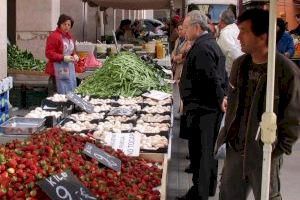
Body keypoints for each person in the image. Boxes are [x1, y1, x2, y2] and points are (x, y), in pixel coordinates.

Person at [215, 9, 300, 200]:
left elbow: (294, 118)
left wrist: (277, 150)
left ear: (263, 36)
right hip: (236, 148)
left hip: (265, 151)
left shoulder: (286, 71)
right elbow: (233, 95)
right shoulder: (240, 65)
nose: (238, 37)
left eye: (243, 31)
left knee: (267, 196)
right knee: (228, 195)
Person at [178, 10, 227, 200]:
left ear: (197, 28)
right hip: (206, 109)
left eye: (186, 26)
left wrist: (219, 100)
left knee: (202, 154)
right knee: (206, 154)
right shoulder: (205, 44)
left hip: (203, 111)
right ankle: (205, 189)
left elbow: (212, 79)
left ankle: (199, 194)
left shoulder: (203, 48)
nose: (183, 29)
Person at [45, 14, 79, 95]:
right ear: (60, 24)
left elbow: (70, 50)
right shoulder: (54, 36)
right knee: (58, 95)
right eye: (64, 24)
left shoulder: (69, 36)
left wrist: (74, 55)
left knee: (69, 92)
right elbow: (49, 53)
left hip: (69, 69)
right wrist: (63, 57)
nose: (66, 26)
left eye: (69, 25)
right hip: (57, 70)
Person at [217, 10, 243, 75]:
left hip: (230, 74)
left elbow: (234, 55)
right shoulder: (236, 29)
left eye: (219, 20)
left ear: (222, 21)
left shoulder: (225, 34)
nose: (218, 23)